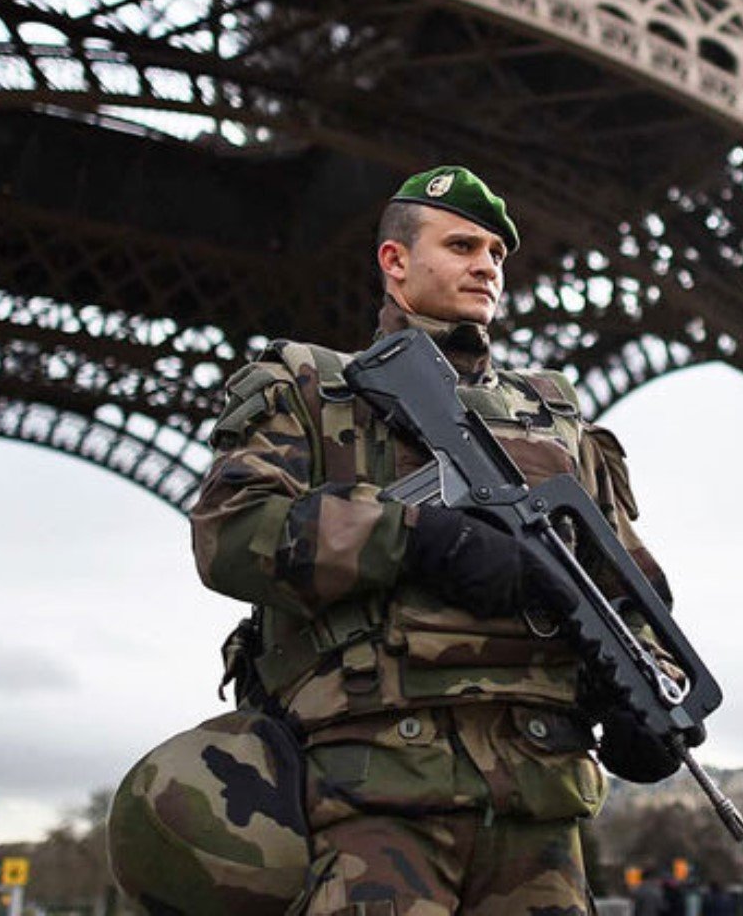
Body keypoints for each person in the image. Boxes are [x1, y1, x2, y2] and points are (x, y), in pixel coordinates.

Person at [190, 165, 683, 914]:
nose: (486, 264)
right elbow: (232, 533)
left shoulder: (558, 420)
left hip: (541, 799)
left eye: (495, 252)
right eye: (461, 244)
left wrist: (646, 693)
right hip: (375, 794)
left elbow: (626, 583)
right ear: (395, 261)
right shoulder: (306, 386)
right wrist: (416, 538)